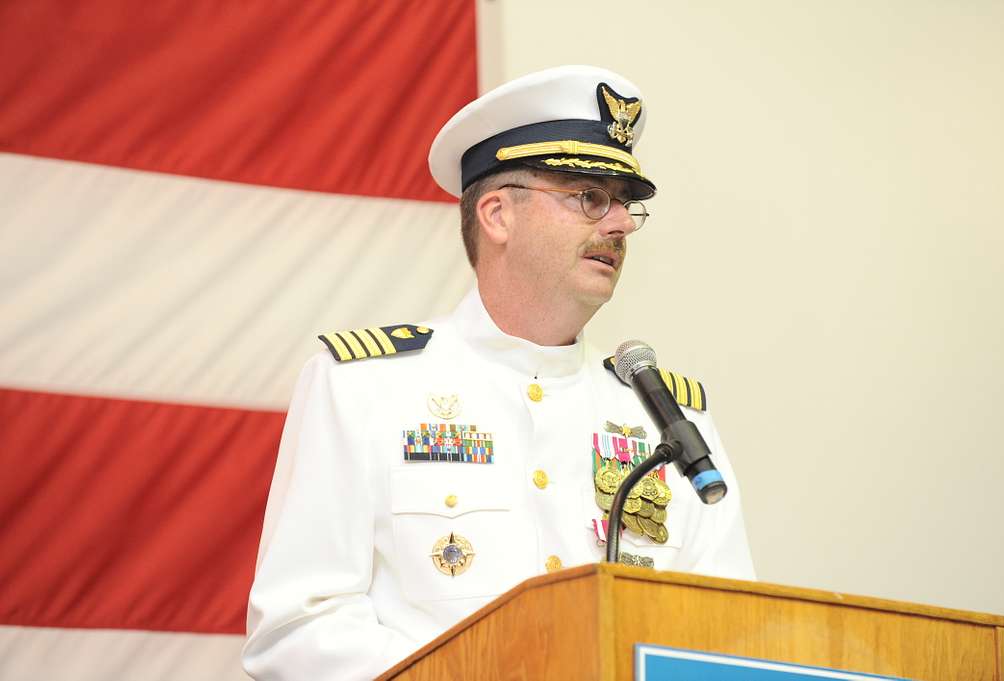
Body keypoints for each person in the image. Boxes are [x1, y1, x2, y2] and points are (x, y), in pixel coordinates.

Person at [242, 65, 755, 681]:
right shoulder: (363, 386)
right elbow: (298, 632)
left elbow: (726, 645)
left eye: (625, 203)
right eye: (589, 197)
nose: (619, 223)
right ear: (497, 214)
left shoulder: (670, 420)